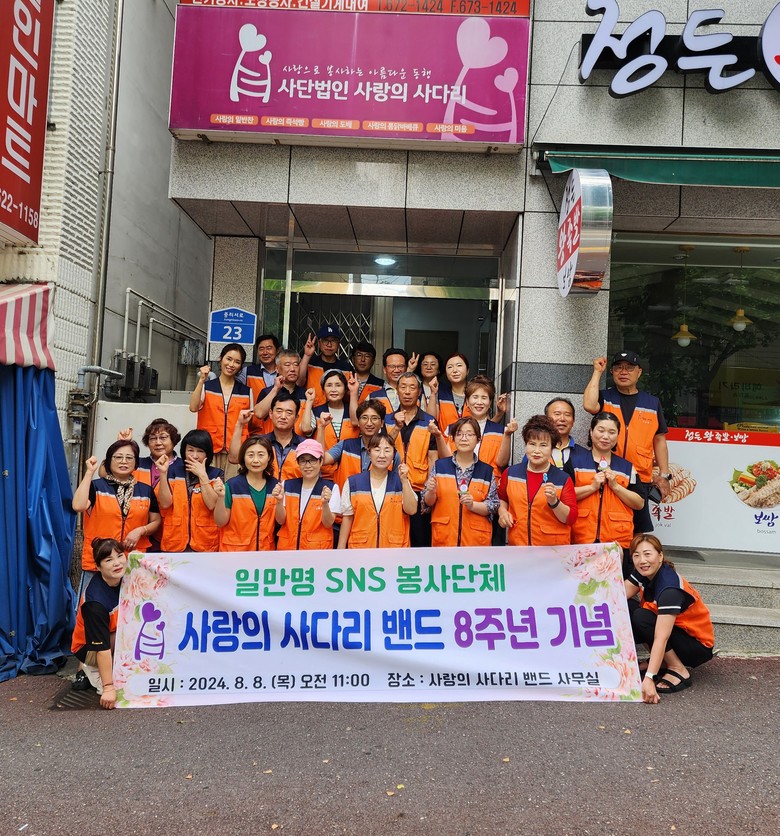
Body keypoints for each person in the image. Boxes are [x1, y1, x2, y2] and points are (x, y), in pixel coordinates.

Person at [584, 352, 671, 533]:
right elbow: (589, 405)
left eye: (629, 368)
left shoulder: (652, 403)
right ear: (612, 372)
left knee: (637, 530)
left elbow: (659, 440)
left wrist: (664, 474)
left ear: (639, 372)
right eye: (618, 368)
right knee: (605, 525)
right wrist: (597, 372)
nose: (623, 372)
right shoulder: (605, 397)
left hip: (639, 476)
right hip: (607, 474)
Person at [625, 534, 714, 704]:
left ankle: (677, 668)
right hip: (676, 635)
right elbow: (617, 596)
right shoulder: (645, 572)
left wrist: (649, 678)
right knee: (626, 607)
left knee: (642, 617)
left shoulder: (669, 589)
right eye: (636, 555)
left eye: (647, 554)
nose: (642, 560)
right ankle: (662, 663)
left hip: (695, 646)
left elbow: (662, 637)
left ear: (660, 556)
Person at [72, 440, 161, 572]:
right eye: (118, 457)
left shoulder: (146, 490)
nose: (124, 461)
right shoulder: (96, 486)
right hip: (100, 560)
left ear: (136, 463)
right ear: (109, 461)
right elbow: (78, 506)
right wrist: (89, 472)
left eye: (129, 458)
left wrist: (141, 530)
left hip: (133, 560)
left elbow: (156, 521)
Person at [570, 413, 644, 559]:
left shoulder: (627, 467)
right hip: (581, 538)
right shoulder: (574, 462)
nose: (606, 436)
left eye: (611, 432)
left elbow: (639, 503)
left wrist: (616, 487)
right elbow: (563, 496)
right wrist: (592, 487)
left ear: (617, 436)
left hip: (616, 542)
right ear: (591, 432)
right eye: (601, 430)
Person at [497, 415, 577, 546]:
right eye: (532, 444)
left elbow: (570, 518)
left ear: (552, 448)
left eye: (543, 445)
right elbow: (502, 498)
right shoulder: (511, 473)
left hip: (552, 550)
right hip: (518, 546)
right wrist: (503, 513)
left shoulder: (562, 478)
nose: (536, 451)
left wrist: (554, 502)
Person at [422, 417, 498, 547]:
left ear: (478, 439)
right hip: (445, 538)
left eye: (469, 434)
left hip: (475, 542)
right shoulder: (440, 466)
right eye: (459, 434)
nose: (464, 438)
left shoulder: (486, 471)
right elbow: (427, 502)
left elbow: (493, 505)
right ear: (453, 438)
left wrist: (472, 505)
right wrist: (431, 492)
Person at [70, 538, 127, 709]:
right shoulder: (95, 602)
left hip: (114, 634)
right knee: (123, 692)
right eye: (109, 560)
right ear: (98, 567)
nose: (117, 563)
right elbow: (102, 648)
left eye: (120, 556)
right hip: (92, 648)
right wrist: (108, 688)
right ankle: (90, 668)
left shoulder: (125, 575)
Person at [337, 435, 418, 549]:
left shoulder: (401, 481)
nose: (382, 455)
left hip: (395, 550)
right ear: (369, 453)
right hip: (361, 549)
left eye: (387, 450)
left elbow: (412, 510)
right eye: (377, 450)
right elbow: (348, 518)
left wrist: (404, 481)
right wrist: (340, 549)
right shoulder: (353, 483)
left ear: (393, 455)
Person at [386, 371, 438, 547]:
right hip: (391, 489)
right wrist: (396, 427)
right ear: (397, 390)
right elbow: (379, 448)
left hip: (418, 489)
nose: (407, 392)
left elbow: (433, 459)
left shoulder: (429, 421)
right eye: (403, 387)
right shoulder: (387, 419)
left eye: (412, 387)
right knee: (392, 540)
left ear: (419, 392)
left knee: (419, 542)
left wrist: (427, 494)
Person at [155, 429, 224, 553]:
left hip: (205, 543)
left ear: (207, 454)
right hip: (174, 542)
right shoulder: (173, 471)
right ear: (184, 451)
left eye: (200, 451)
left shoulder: (216, 474)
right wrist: (163, 473)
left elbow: (212, 505)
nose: (194, 456)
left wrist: (202, 475)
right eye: (190, 450)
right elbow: (165, 504)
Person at [190, 343, 252, 478]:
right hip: (209, 448)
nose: (231, 365)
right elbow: (193, 407)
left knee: (232, 487)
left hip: (235, 451)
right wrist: (201, 381)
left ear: (241, 366)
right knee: (208, 485)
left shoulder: (246, 392)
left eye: (237, 362)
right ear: (220, 358)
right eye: (228, 359)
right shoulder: (207, 387)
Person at [214, 435, 279, 551]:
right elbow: (220, 522)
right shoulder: (232, 485)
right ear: (243, 457)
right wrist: (220, 497)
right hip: (235, 552)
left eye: (261, 455)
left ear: (269, 457)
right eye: (250, 455)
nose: (255, 460)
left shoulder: (275, 485)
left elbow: (280, 520)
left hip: (265, 551)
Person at [274, 439, 341, 551]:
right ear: (298, 463)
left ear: (321, 461)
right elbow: (280, 520)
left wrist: (325, 504)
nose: (307, 465)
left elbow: (328, 523)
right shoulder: (287, 485)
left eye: (312, 460)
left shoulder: (331, 488)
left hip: (316, 551)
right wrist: (279, 502)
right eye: (303, 461)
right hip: (287, 549)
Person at [441, 375, 511, 481]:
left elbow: (502, 463)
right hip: (456, 484)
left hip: (489, 485)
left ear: (490, 402)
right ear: (467, 401)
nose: (479, 402)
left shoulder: (501, 431)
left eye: (484, 398)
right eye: (475, 397)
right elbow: (446, 459)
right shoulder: (452, 429)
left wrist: (508, 435)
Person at [320, 398, 400, 490]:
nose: (369, 423)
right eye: (364, 418)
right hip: (345, 498)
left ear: (382, 423)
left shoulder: (392, 454)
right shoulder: (345, 446)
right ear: (358, 422)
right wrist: (321, 427)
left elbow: (396, 485)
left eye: (374, 418)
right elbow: (322, 460)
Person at [252, 348, 308, 434]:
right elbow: (259, 414)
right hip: (271, 440)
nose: (292, 369)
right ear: (277, 368)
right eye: (287, 365)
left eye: (296, 365)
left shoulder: (305, 394)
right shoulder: (268, 392)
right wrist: (276, 389)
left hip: (299, 441)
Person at [297, 323, 353, 407]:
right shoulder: (310, 363)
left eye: (333, 341)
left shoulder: (346, 368)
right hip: (311, 410)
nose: (329, 345)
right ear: (319, 343)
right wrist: (307, 356)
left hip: (337, 410)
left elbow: (350, 396)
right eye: (325, 340)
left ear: (338, 344)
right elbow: (299, 383)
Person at [544, 398, 586, 473]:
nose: (562, 419)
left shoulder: (584, 454)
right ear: (546, 419)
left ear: (573, 421)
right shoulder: (536, 451)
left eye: (567, 415)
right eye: (557, 414)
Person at [437, 353, 470, 431]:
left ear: (467, 371)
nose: (455, 370)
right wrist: (432, 394)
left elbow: (485, 425)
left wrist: (498, 415)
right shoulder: (439, 394)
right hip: (445, 438)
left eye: (459, 365)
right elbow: (430, 419)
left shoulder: (475, 394)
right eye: (450, 367)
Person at [372, 347, 409, 416]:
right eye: (392, 366)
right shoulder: (373, 396)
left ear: (406, 369)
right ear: (384, 370)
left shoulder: (416, 395)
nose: (396, 370)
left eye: (400, 366)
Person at [242, 333, 280, 397]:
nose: (265, 352)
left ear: (277, 351)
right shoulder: (247, 372)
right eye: (261, 349)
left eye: (269, 348)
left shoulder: (284, 371)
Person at [417, 351, 443, 416]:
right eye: (425, 364)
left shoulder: (446, 389)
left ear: (439, 369)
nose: (429, 367)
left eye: (433, 364)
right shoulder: (415, 388)